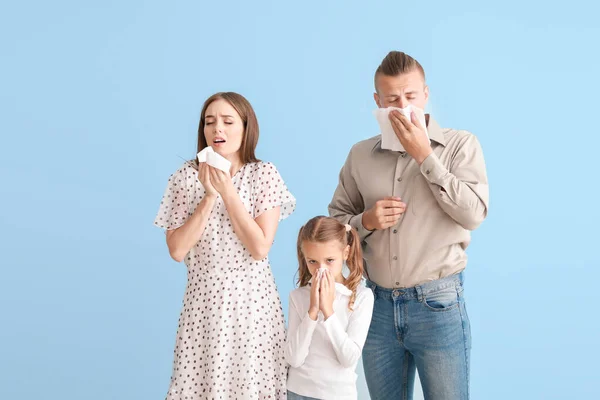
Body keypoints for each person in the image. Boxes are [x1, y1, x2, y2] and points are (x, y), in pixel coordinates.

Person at [328, 51, 489, 399]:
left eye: (411, 97)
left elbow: (474, 214)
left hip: (439, 307)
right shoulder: (360, 155)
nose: (402, 107)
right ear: (377, 101)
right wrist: (365, 221)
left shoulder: (461, 146)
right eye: (392, 100)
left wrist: (424, 156)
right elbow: (334, 228)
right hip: (376, 308)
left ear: (426, 94)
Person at [153, 92, 296, 399]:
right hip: (202, 305)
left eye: (228, 121)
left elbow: (259, 248)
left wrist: (227, 191)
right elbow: (177, 250)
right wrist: (208, 197)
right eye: (209, 122)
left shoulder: (263, 174)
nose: (217, 129)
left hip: (252, 306)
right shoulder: (184, 178)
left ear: (246, 128)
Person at [285, 216, 374, 400]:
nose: (321, 269)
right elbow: (294, 358)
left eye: (329, 260)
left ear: (346, 253)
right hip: (298, 392)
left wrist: (328, 312)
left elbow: (348, 359)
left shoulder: (361, 298)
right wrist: (312, 311)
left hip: (338, 395)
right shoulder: (298, 297)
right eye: (313, 262)